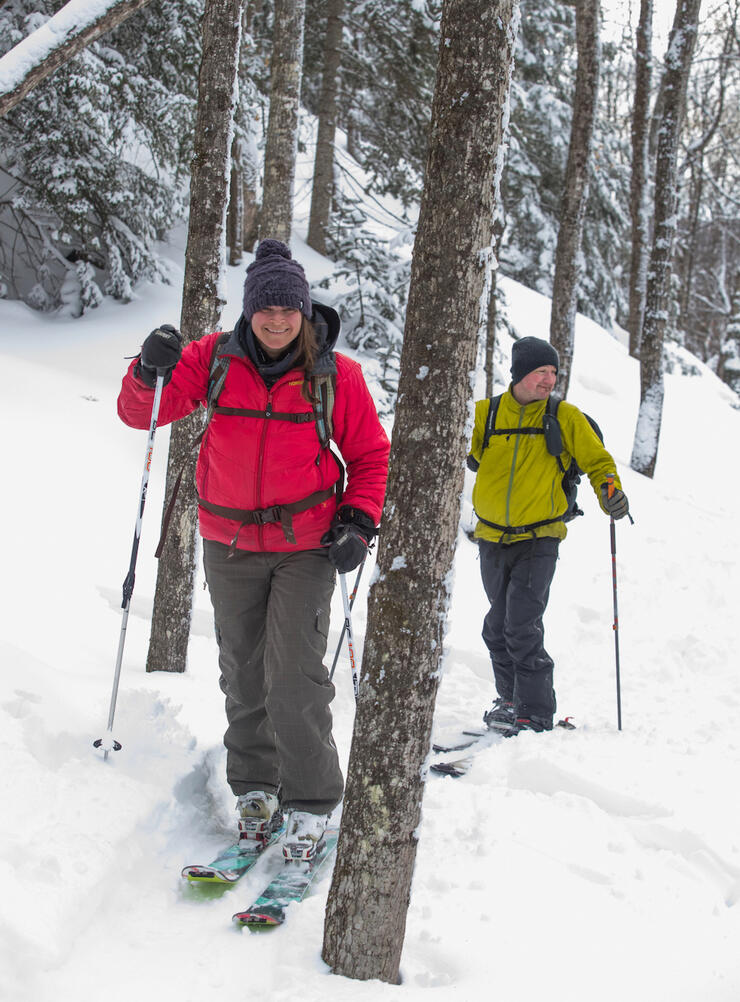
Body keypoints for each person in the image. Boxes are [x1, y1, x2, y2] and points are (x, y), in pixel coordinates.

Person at [117, 239, 390, 859]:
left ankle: (313, 799)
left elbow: (372, 455)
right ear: (248, 311)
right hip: (229, 541)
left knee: (291, 676)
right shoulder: (211, 358)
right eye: (265, 309)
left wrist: (358, 519)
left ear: (303, 310)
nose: (276, 320)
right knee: (242, 673)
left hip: (307, 544)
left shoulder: (336, 376)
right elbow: (141, 414)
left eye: (287, 310)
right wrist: (146, 370)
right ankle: (255, 788)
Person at [466, 336, 629, 736]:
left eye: (554, 373)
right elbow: (463, 455)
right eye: (542, 371)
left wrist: (610, 491)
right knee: (496, 625)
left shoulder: (564, 415)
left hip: (540, 537)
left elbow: (597, 460)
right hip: (491, 537)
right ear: (521, 373)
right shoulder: (486, 414)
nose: (549, 380)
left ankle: (535, 711)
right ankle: (509, 700)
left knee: (521, 625)